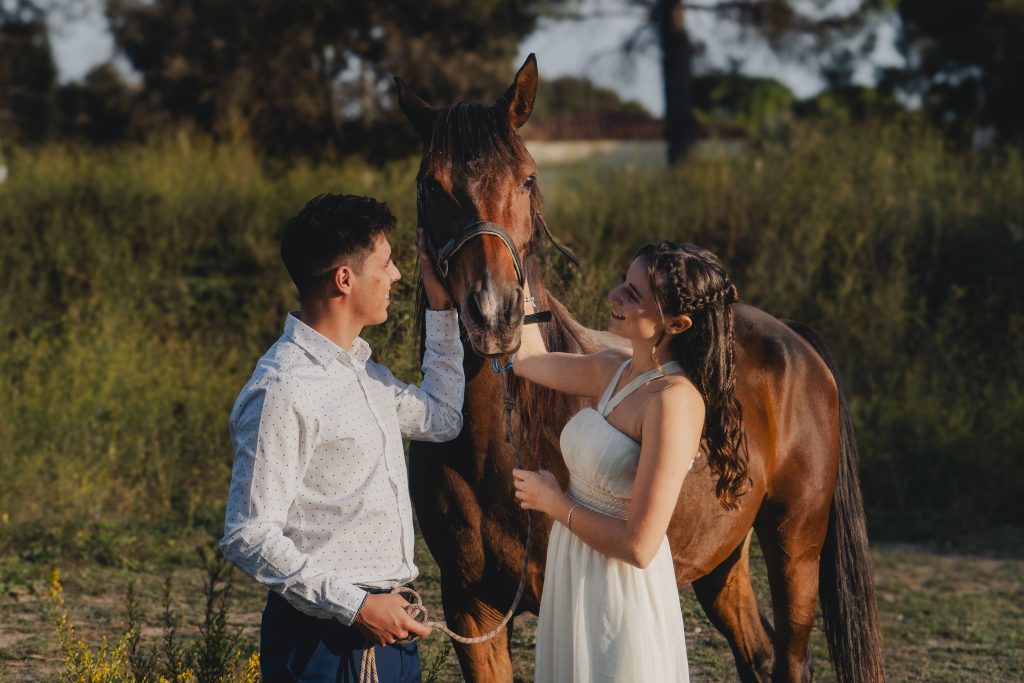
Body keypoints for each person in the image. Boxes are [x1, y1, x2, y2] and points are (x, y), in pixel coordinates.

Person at [221, 194, 464, 682]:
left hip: (390, 634)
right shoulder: (283, 387)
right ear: (344, 279)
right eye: (387, 262)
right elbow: (248, 535)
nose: (397, 275)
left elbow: (441, 417)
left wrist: (441, 308)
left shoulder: (366, 374)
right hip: (323, 645)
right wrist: (357, 608)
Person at [512, 241, 749, 682]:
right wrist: (518, 268)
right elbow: (527, 361)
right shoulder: (613, 369)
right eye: (623, 283)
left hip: (619, 586)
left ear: (676, 324)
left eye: (633, 294)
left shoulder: (674, 403)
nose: (613, 297)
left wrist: (554, 503)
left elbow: (640, 546)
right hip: (574, 564)